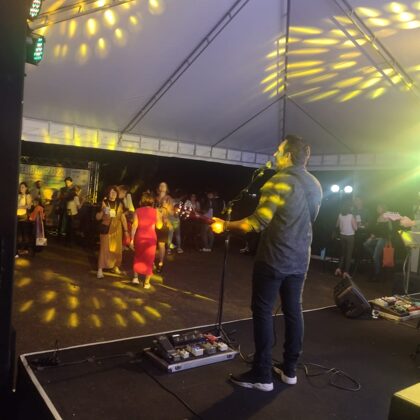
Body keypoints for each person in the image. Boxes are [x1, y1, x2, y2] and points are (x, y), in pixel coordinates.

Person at [212, 135, 322, 392]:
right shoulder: (315, 184)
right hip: (300, 259)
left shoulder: (279, 181)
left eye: (279, 150)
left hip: (274, 258)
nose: (274, 154)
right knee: (294, 310)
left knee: (262, 311)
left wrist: (224, 225)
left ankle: (262, 374)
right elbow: (309, 219)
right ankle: (289, 370)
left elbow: (256, 223)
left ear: (288, 156)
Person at [96, 186, 129, 279]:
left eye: (115, 192)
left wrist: (126, 230)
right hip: (106, 227)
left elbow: (122, 217)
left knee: (117, 249)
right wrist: (102, 211)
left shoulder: (120, 203)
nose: (113, 194)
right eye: (111, 192)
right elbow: (97, 217)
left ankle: (115, 266)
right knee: (104, 249)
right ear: (108, 194)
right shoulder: (104, 203)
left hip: (117, 229)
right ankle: (100, 269)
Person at [130, 192, 162, 289]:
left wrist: (132, 240)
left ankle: (135, 278)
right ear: (152, 201)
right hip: (151, 238)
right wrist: (160, 217)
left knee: (138, 256)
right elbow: (159, 226)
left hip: (140, 237)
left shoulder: (137, 211)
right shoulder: (156, 211)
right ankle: (146, 282)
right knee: (149, 259)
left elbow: (134, 226)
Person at [363, 203, 392, 281]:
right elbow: (377, 230)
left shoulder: (386, 217)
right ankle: (376, 257)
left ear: (383, 208)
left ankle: (377, 274)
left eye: (379, 208)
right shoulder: (379, 217)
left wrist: (373, 237)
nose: (377, 209)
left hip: (384, 239)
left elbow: (388, 230)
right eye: (377, 208)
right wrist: (373, 236)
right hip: (378, 238)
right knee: (366, 244)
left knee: (375, 256)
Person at [334, 199, 357, 279]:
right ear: (349, 207)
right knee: (348, 255)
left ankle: (338, 269)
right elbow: (355, 228)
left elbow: (337, 225)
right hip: (350, 236)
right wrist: (356, 222)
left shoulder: (340, 215)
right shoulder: (351, 216)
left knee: (342, 254)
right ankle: (346, 272)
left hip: (342, 236)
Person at [16, 182, 33, 256]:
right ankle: (19, 249)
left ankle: (26, 249)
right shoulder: (18, 195)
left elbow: (29, 206)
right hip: (17, 216)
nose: (21, 188)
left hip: (24, 216)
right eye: (20, 187)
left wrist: (19, 207)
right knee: (18, 234)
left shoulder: (27, 195)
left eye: (22, 187)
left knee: (25, 234)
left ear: (26, 188)